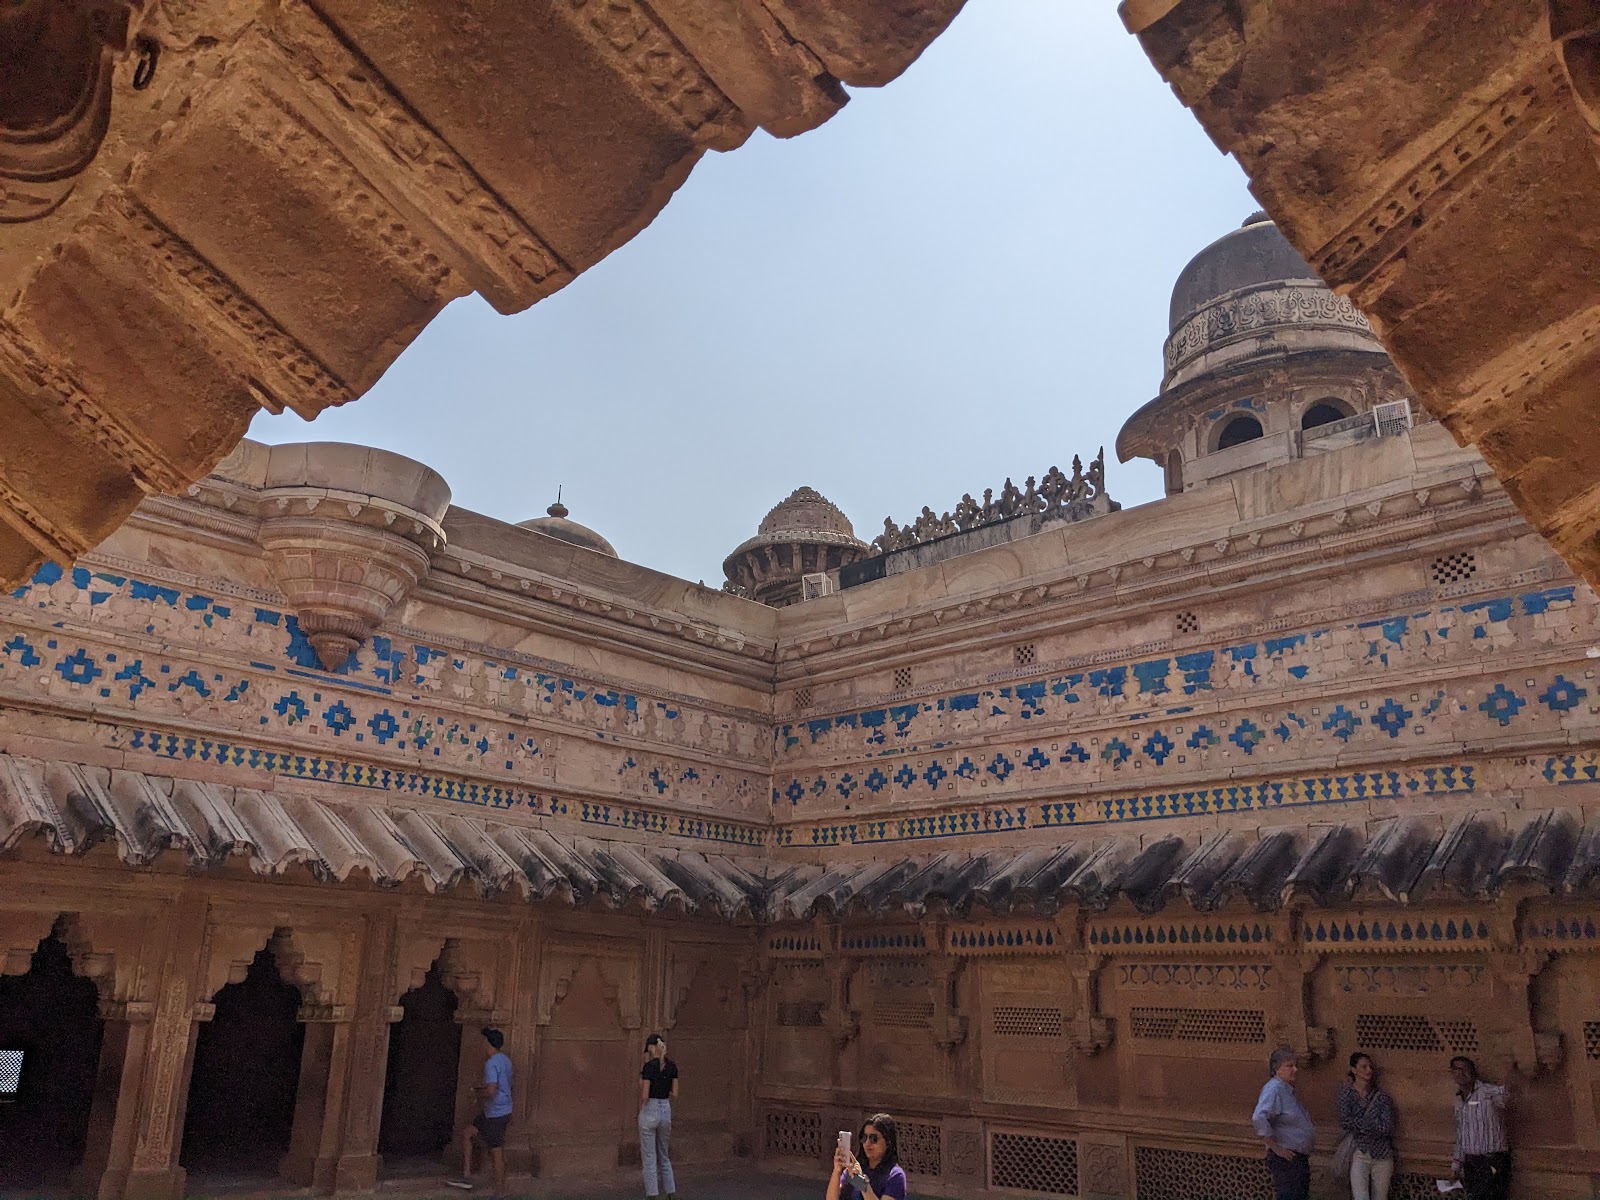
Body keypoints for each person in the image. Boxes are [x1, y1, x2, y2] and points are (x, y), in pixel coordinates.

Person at [448, 1027, 513, 1196]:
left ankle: (500, 1193)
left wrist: (478, 1094)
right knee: (468, 1133)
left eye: (484, 1040)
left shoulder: (491, 1063)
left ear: (488, 1042)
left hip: (495, 1113)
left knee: (496, 1152)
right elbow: (502, 1084)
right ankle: (467, 1176)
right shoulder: (505, 1060)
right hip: (500, 1110)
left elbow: (491, 1091)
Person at [1252, 1046, 1314, 1200]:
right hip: (1286, 1159)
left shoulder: (1286, 1090)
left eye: (1295, 1065)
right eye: (1289, 1066)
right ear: (1277, 1069)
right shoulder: (1274, 1089)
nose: (1295, 1070)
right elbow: (1259, 1117)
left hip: (1296, 1158)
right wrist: (1276, 1147)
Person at [1337, 1052, 1397, 1200]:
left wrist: (1361, 1125)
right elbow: (1345, 1121)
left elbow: (1386, 1127)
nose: (1368, 1070)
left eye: (1370, 1067)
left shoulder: (1381, 1097)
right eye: (1363, 1067)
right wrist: (1371, 1124)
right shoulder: (1346, 1094)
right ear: (1353, 1069)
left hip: (1382, 1153)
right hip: (1360, 1152)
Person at [1450, 1056, 1510, 1200]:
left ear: (1473, 1072)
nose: (1460, 1073)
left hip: (1492, 1160)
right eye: (1456, 1069)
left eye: (1464, 1069)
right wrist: (1456, 1165)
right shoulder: (1458, 1101)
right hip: (1471, 1163)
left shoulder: (1487, 1093)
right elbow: (1461, 1135)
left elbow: (1508, 1096)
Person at [825, 1113, 907, 1200]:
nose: (867, 1144)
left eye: (873, 1139)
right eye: (864, 1138)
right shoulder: (854, 1169)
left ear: (888, 1142)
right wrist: (837, 1171)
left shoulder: (895, 1175)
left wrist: (862, 1182)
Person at [639, 1032, 679, 1200]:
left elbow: (645, 1095)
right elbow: (675, 1092)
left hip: (651, 1109)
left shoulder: (648, 1067)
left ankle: (652, 1194)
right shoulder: (672, 1066)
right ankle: (671, 1192)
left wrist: (642, 1084)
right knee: (664, 1154)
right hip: (665, 1108)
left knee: (649, 1156)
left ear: (651, 1048)